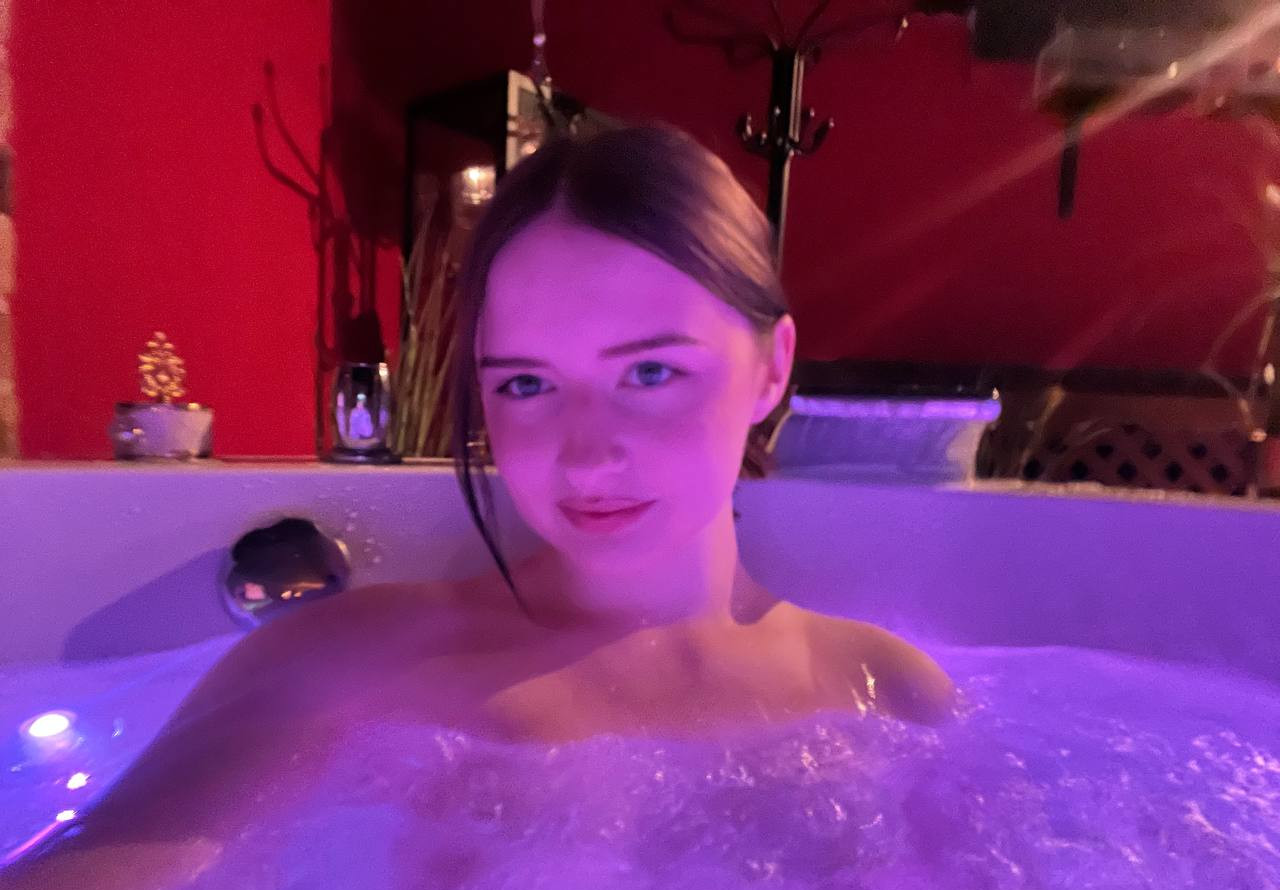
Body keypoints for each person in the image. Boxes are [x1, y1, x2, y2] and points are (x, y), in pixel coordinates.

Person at [0, 124, 953, 889]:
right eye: (527, 384)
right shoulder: (351, 662)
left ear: (771, 368)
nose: (586, 453)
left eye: (650, 372)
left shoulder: (890, 694)